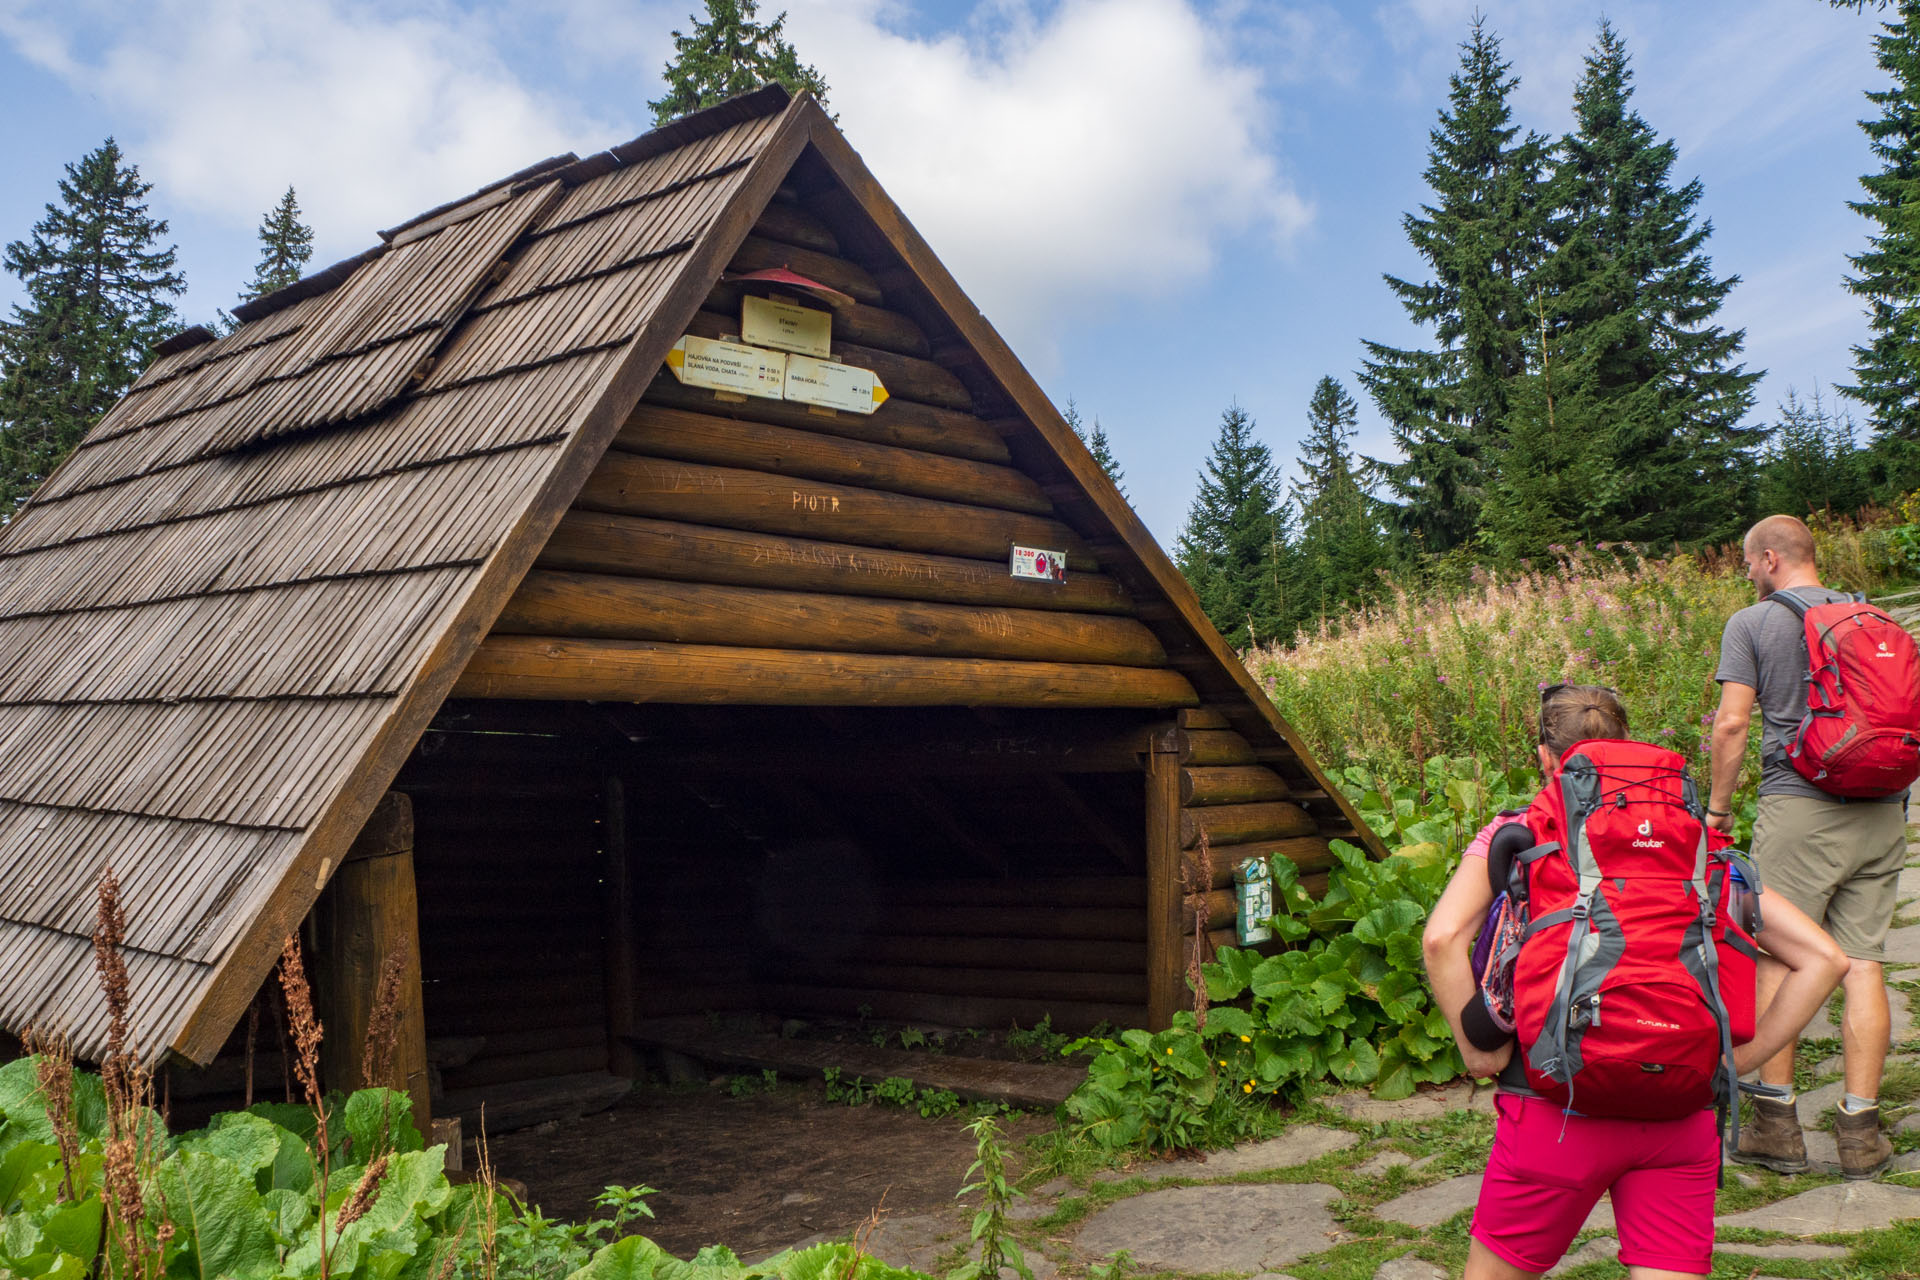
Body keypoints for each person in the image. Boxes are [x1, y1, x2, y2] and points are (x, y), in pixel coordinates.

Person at [1424, 683, 1850, 1280]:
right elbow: (1824, 959)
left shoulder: (1521, 829)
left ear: (1547, 758)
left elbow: (1442, 939)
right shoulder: (1694, 842)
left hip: (1554, 1107)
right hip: (1678, 1114)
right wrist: (1732, 1058)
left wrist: (1476, 1051)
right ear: (1624, 750)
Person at [1707, 513, 1907, 1178]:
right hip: (1881, 806)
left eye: (1746, 564)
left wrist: (1717, 809)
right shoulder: (1872, 617)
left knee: (1779, 958)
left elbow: (1733, 724)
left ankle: (1776, 1124)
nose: (1746, 576)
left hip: (1800, 805)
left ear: (1769, 559)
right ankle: (1860, 1133)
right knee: (1863, 962)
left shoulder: (1754, 622)